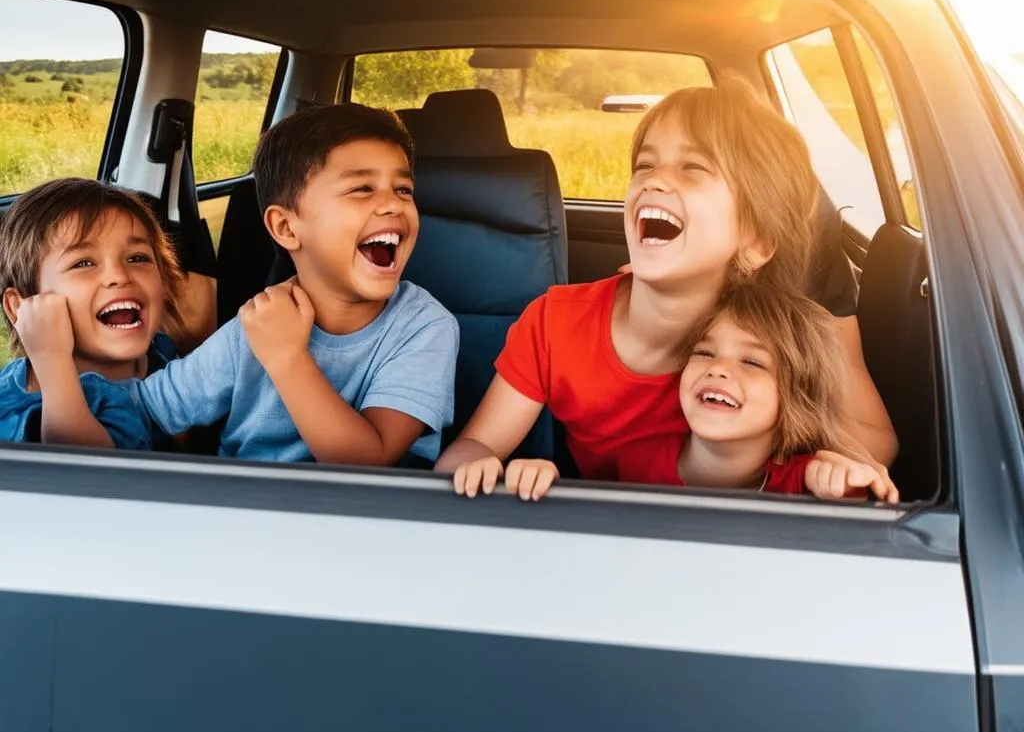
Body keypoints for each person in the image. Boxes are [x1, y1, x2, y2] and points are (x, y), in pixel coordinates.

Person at [437, 76, 894, 496]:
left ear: (754, 242)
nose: (653, 179)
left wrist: (828, 469)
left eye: (693, 168)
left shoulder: (768, 345)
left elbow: (871, 444)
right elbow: (478, 443)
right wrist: (474, 468)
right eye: (644, 164)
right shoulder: (556, 320)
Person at [123, 103, 459, 465]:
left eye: (403, 189)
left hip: (365, 513)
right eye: (362, 188)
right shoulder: (260, 322)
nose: (393, 204)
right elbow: (151, 408)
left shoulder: (424, 327)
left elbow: (366, 462)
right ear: (286, 228)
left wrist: (287, 358)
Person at [503, 283, 898, 502]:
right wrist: (540, 481)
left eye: (753, 362)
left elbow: (853, 513)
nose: (718, 368)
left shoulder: (808, 479)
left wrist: (846, 489)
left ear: (797, 400)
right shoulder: (634, 464)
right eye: (704, 352)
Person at [0, 178, 185, 449]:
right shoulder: (13, 410)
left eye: (137, 258)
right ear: (22, 306)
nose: (119, 276)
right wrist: (52, 362)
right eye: (83, 263)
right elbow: (87, 476)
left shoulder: (162, 352)